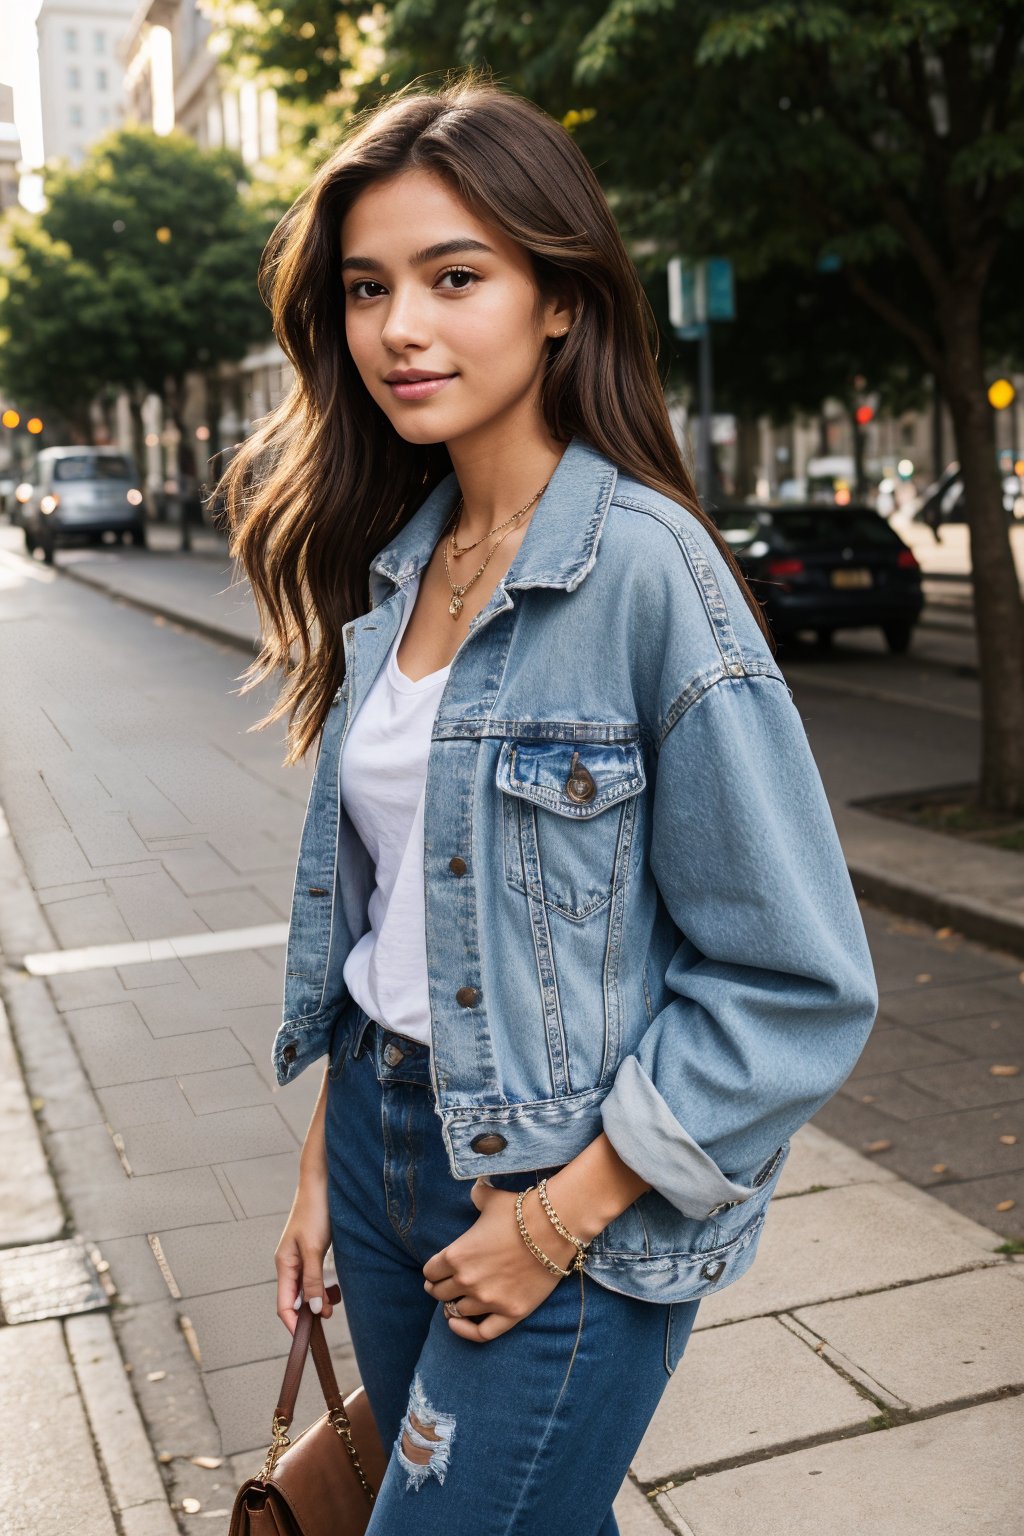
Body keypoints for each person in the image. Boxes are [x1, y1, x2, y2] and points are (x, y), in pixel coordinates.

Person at [222, 74, 878, 1536]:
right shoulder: (396, 567)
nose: (403, 327)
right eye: (368, 287)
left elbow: (799, 983)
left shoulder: (648, 573)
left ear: (560, 298)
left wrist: (556, 1218)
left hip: (560, 1194)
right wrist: (329, 1163)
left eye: (457, 278)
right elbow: (396, 910)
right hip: (386, 1151)